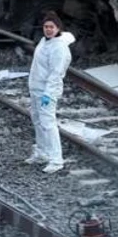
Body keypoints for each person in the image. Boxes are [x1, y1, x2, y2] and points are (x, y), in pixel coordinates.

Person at [27, 12, 75, 173]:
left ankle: (56, 159)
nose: (48, 30)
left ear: (58, 28)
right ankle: (42, 152)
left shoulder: (59, 48)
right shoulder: (44, 41)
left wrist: (48, 94)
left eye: (51, 27)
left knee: (48, 124)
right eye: (46, 27)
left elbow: (56, 73)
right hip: (36, 88)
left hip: (47, 91)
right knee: (37, 121)